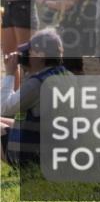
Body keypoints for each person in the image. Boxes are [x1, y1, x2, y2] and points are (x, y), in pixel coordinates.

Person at [1, 29, 72, 167]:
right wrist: (29, 71)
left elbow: (4, 107)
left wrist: (10, 73)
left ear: (40, 55)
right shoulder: (65, 75)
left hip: (34, 156)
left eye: (30, 51)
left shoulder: (38, 83)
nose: (25, 55)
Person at [42, 0, 100, 74]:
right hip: (78, 25)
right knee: (72, 67)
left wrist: (46, 2)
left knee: (71, 68)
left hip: (73, 26)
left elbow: (68, 4)